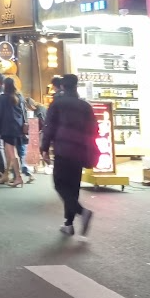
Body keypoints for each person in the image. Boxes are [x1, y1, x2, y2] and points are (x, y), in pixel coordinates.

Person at [41, 74, 97, 239]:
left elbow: (49, 127)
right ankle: (68, 224)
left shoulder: (57, 104)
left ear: (62, 87)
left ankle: (82, 212)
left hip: (63, 149)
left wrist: (44, 149)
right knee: (73, 188)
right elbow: (94, 129)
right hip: (80, 151)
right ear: (76, 86)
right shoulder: (85, 106)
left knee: (60, 184)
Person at [0, 77, 27, 187]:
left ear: (5, 86)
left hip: (7, 128)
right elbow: (24, 112)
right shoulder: (19, 96)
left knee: (11, 153)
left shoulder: (4, 98)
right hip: (18, 127)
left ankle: (18, 177)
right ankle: (5, 175)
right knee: (9, 153)